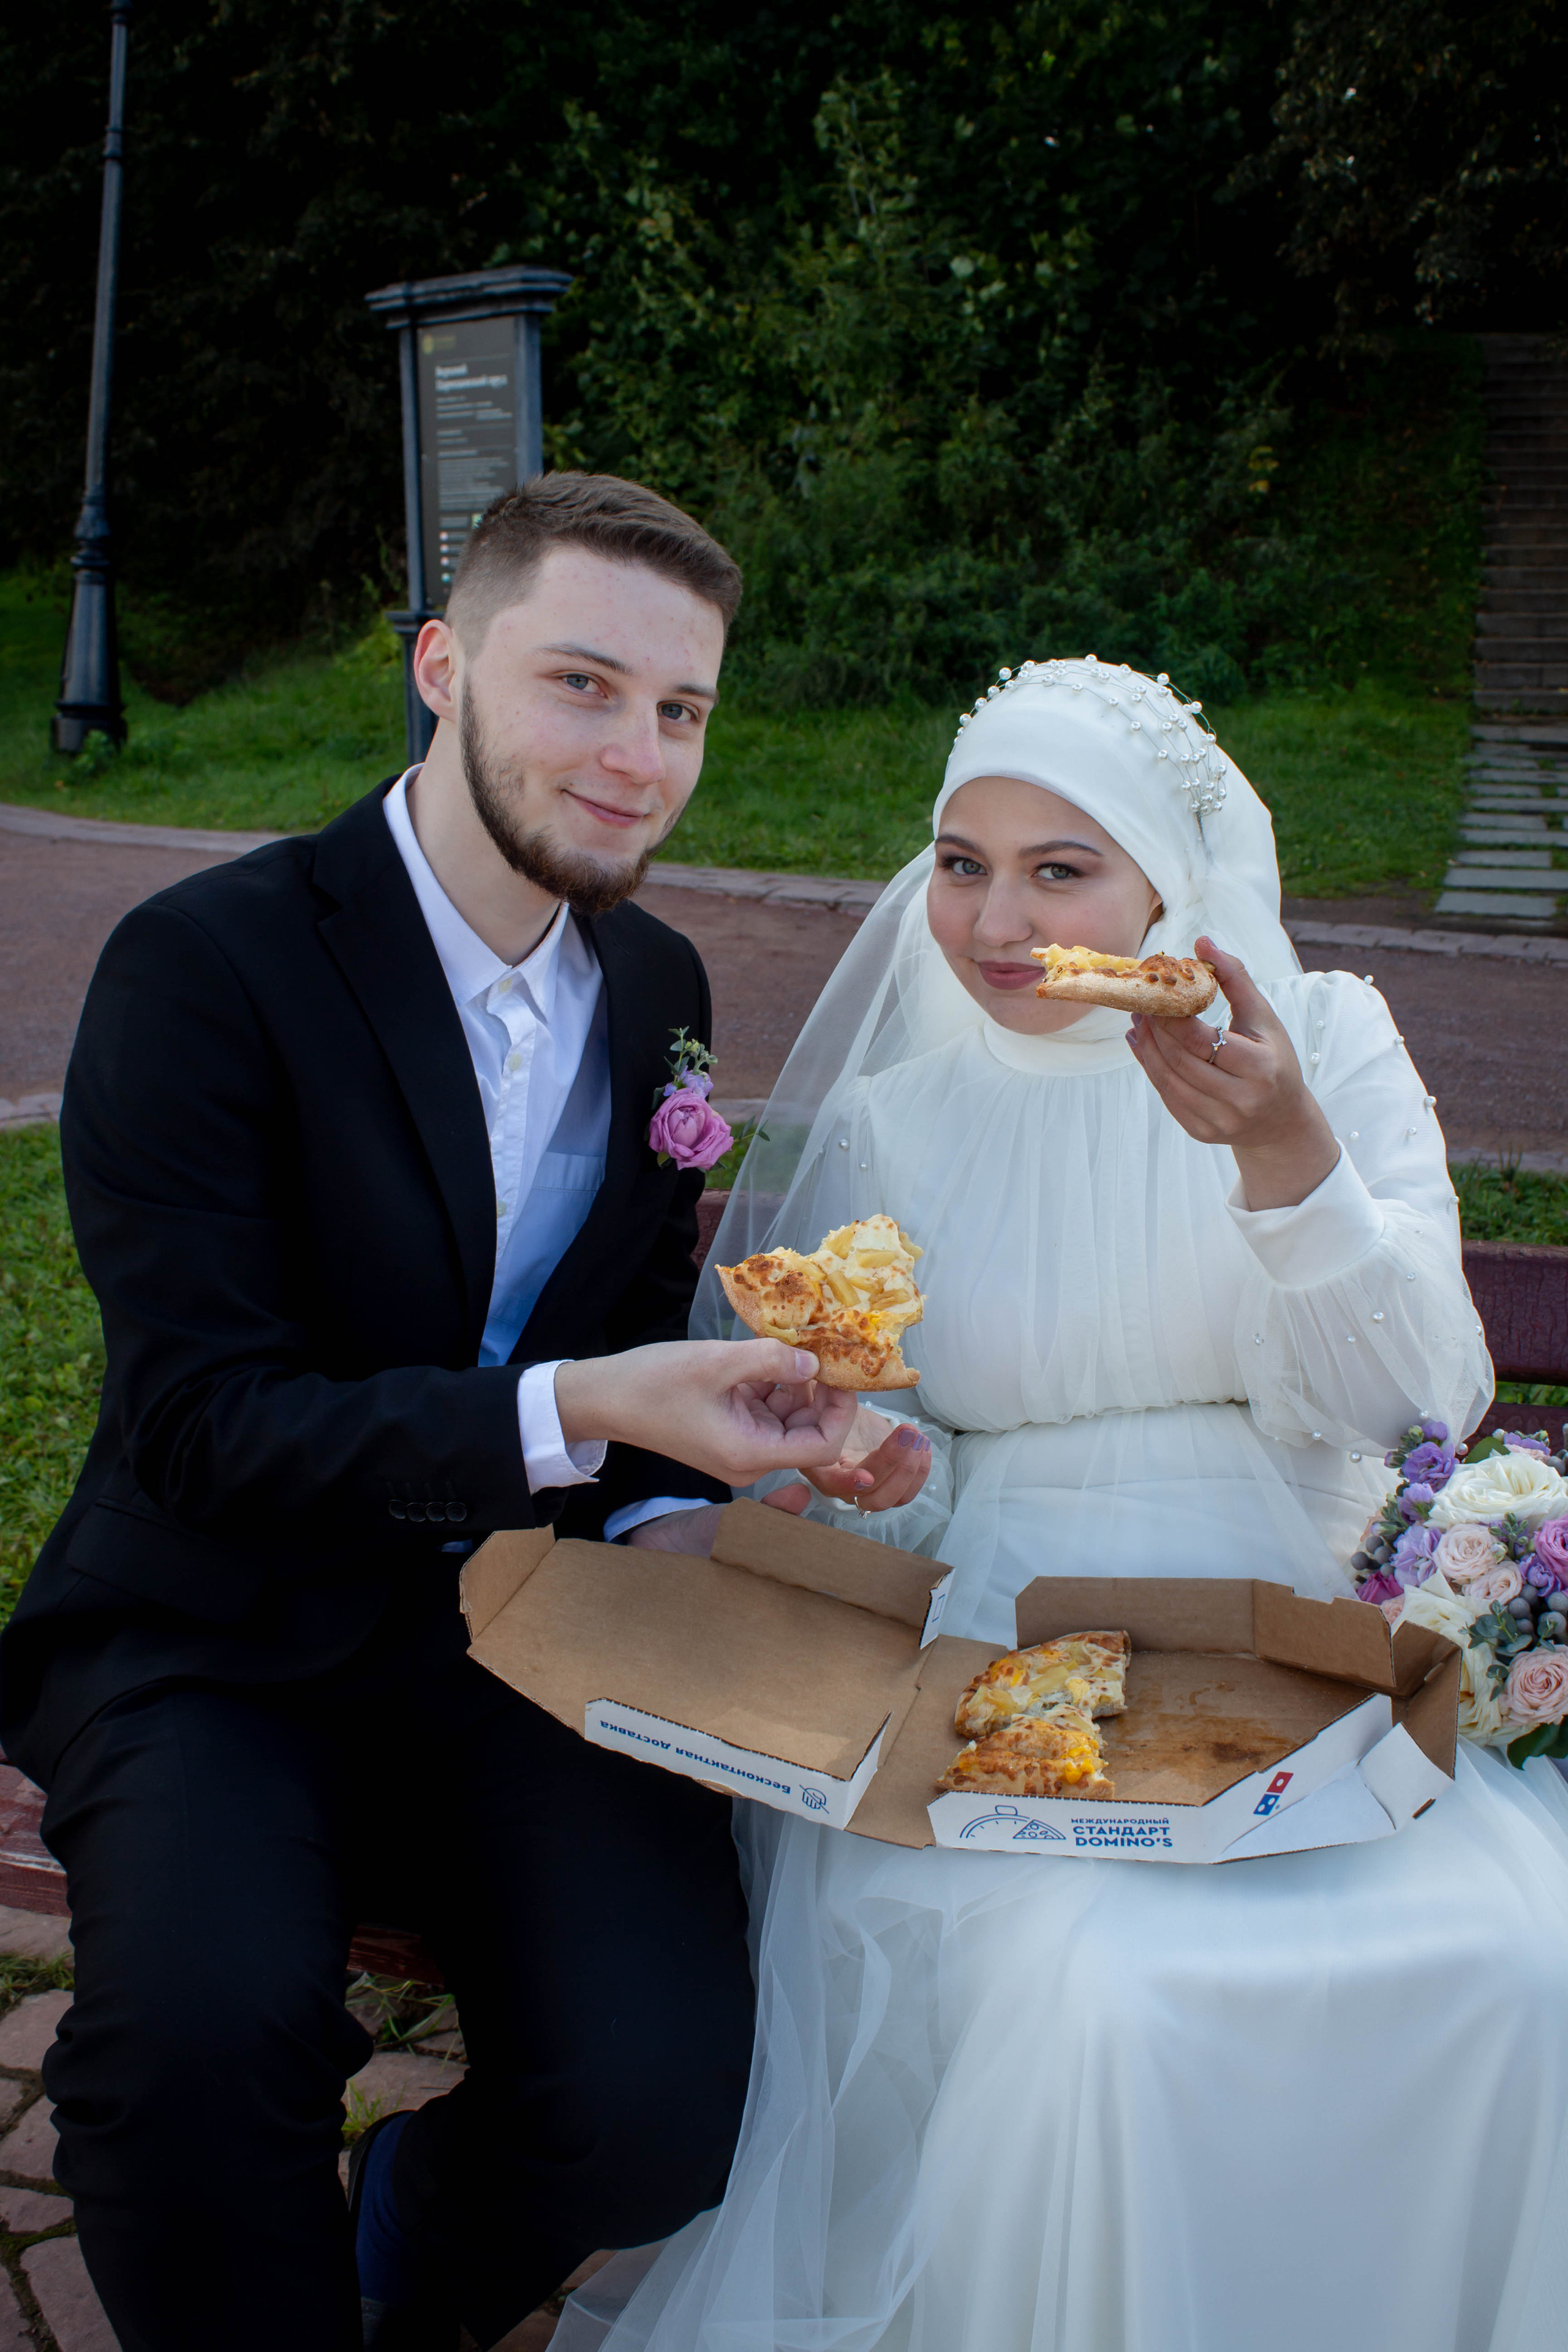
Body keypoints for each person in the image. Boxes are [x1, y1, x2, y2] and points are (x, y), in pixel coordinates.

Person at [0, 473, 908, 2352]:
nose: (639, 755)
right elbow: (205, 1429)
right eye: (584, 684)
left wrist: (713, 1488)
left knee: (660, 2106)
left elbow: (627, 1337)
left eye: (682, 711)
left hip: (522, 1634)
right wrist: (590, 1404)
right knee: (189, 2052)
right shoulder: (207, 965)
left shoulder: (654, 979)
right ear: (443, 667)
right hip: (216, 1629)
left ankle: (416, 2231)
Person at [571, 656, 1568, 2352]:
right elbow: (915, 1458)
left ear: (1168, 885)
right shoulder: (902, 1111)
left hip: (1292, 1618)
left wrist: (1289, 1167)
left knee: (1519, 1963)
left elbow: (1420, 1406)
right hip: (998, 1642)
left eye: (1060, 869)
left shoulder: (1319, 1040)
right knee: (1108, 2002)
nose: (995, 923)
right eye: (963, 863)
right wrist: (870, 1476)